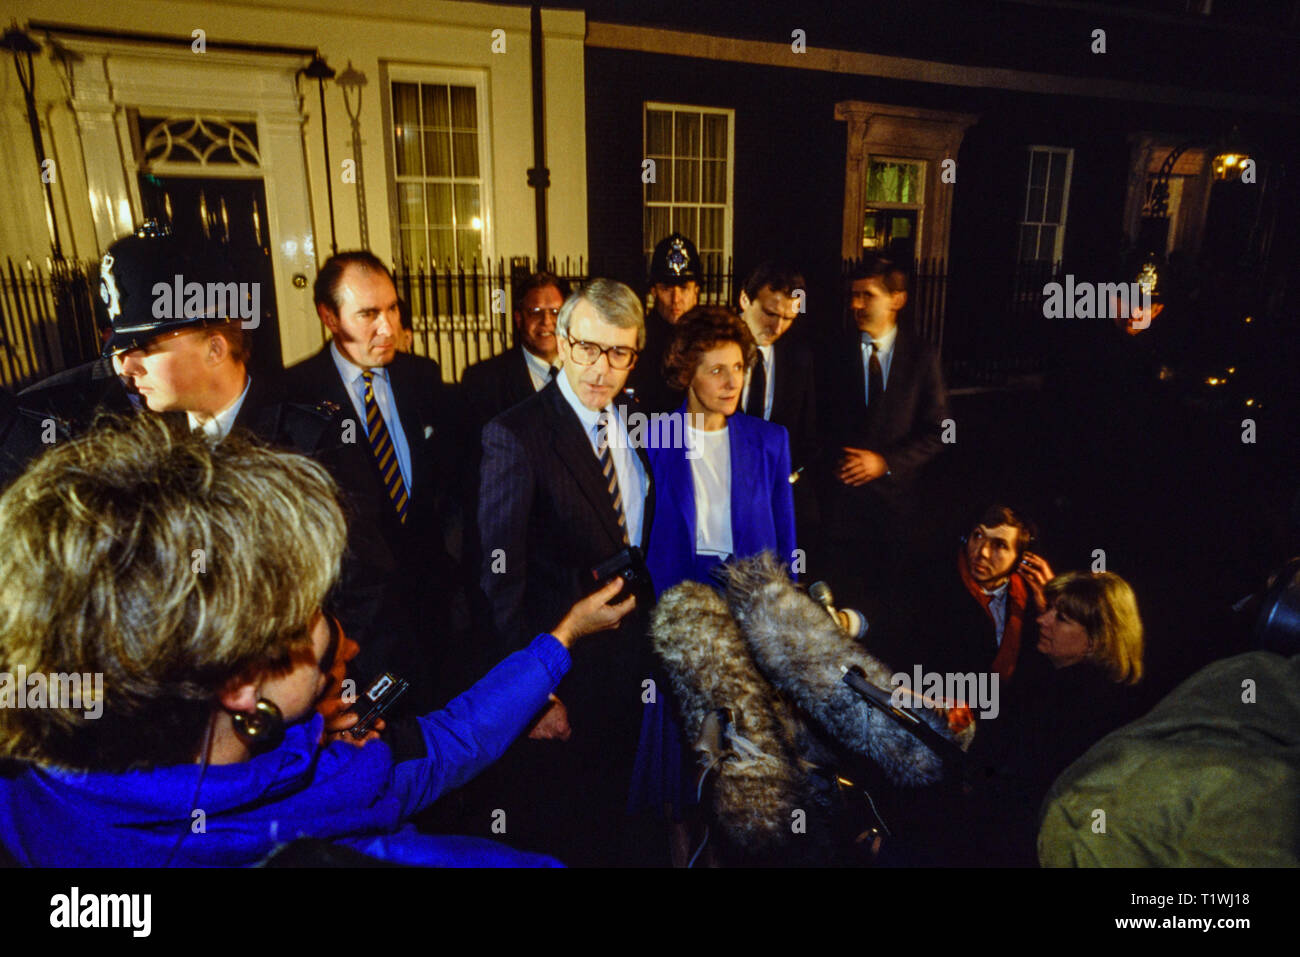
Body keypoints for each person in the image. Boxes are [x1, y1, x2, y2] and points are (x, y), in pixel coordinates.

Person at [0, 414, 634, 867]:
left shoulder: (32, 791)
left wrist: (562, 637)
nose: (343, 639)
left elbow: (443, 744)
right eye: (310, 609)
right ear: (241, 683)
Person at [475, 277, 656, 865]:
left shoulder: (635, 419)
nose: (601, 368)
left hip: (631, 674)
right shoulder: (515, 435)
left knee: (617, 826)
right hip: (564, 682)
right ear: (559, 338)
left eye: (620, 353)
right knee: (563, 835)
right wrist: (533, 693)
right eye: (587, 347)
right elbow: (499, 584)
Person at [630, 305, 797, 864]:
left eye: (738, 368)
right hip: (679, 601)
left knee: (740, 745)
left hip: (746, 602)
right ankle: (681, 852)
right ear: (686, 373)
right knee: (681, 742)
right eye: (715, 370)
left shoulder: (769, 440)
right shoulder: (652, 436)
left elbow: (785, 543)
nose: (731, 383)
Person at [283, 251, 470, 713]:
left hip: (437, 613)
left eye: (392, 308)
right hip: (358, 633)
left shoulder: (421, 377)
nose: (388, 327)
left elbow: (452, 481)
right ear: (330, 317)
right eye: (368, 314)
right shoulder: (294, 398)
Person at [954, 570, 1145, 866]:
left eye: (1061, 618)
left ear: (1095, 641)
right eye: (1048, 610)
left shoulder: (1081, 708)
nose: (1042, 620)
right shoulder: (1065, 685)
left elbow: (1011, 802)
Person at [816, 256, 948, 618]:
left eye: (867, 295)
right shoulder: (831, 353)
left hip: (894, 518)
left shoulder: (923, 357)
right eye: (853, 295)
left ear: (897, 299)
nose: (856, 304)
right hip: (839, 517)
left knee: (886, 616)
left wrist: (886, 463)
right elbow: (813, 426)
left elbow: (939, 431)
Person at [881, 505, 1055, 684]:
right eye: (978, 535)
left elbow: (1038, 674)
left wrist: (1049, 609)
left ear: (1021, 558)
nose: (982, 552)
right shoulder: (933, 581)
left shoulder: (1028, 599)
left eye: (999, 545)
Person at [736, 261, 820, 553]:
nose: (777, 327)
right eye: (770, 313)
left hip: (772, 499)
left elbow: (806, 432)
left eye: (788, 317)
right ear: (744, 300)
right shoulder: (712, 349)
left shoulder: (799, 357)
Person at [460, 272, 570, 431]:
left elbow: (608, 438)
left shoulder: (590, 371)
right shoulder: (483, 381)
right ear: (519, 319)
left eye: (555, 312)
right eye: (535, 311)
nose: (546, 321)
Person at [626, 232, 702, 413]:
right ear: (653, 291)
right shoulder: (636, 338)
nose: (676, 299)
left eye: (684, 288)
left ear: (696, 291)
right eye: (666, 288)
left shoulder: (708, 338)